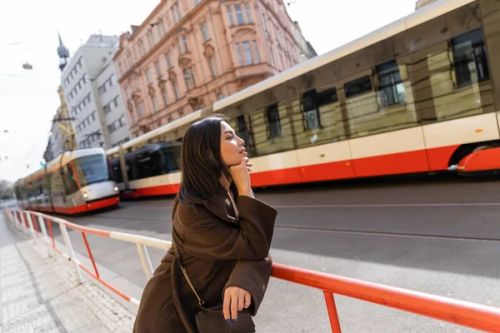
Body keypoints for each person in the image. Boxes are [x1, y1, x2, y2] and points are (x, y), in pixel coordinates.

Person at [134, 115, 277, 332]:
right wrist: (246, 189)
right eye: (230, 137)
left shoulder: (227, 192)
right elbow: (254, 244)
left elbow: (256, 240)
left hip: (201, 312)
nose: (241, 141)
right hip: (169, 318)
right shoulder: (192, 211)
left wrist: (243, 279)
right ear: (208, 153)